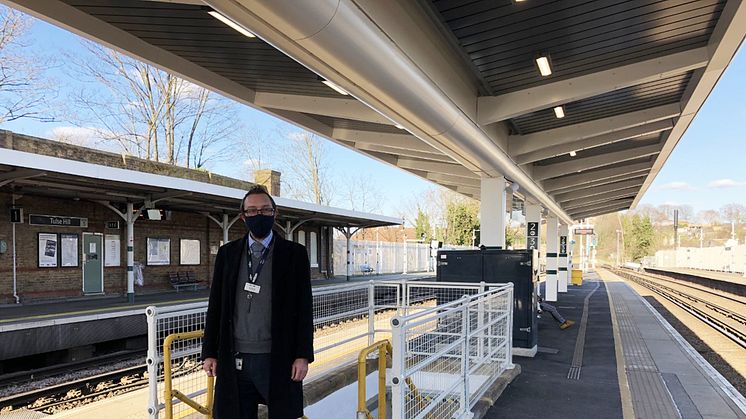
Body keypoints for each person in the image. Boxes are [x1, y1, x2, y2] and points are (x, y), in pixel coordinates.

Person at [202, 185, 314, 419]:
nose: (258, 215)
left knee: (283, 414)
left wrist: (302, 355)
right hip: (234, 359)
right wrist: (209, 352)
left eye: (264, 209)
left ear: (276, 213)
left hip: (278, 357)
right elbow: (216, 307)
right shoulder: (228, 253)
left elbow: (304, 308)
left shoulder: (294, 254)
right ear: (243, 216)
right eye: (251, 211)